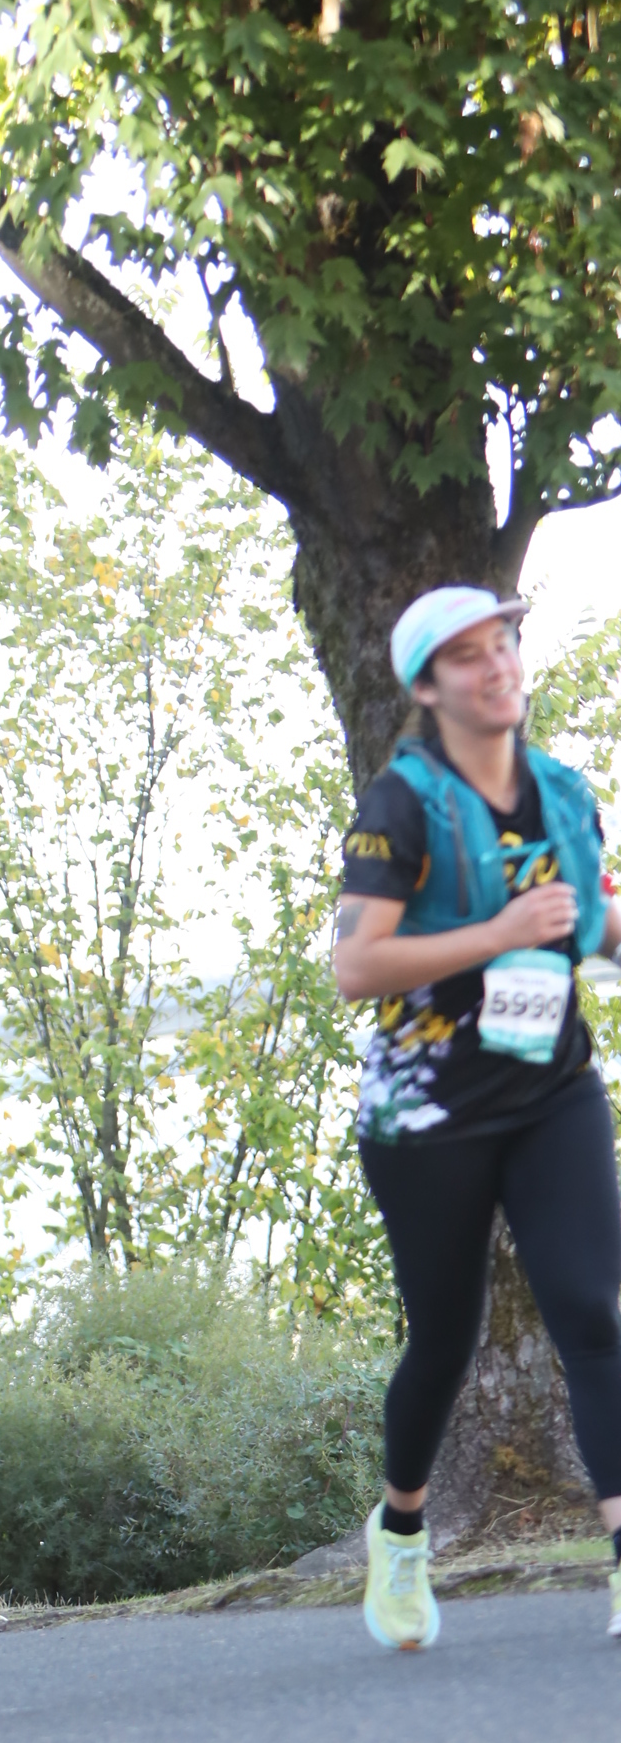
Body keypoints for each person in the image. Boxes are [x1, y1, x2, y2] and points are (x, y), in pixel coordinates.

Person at [336, 584, 621, 1651]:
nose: (495, 664)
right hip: (428, 1114)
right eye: (465, 655)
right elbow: (356, 965)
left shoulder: (562, 792)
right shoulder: (400, 805)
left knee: (592, 1312)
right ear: (426, 687)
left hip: (550, 1086)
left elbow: (590, 921)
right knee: (445, 1338)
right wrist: (498, 930)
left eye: (501, 642)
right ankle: (402, 1531)